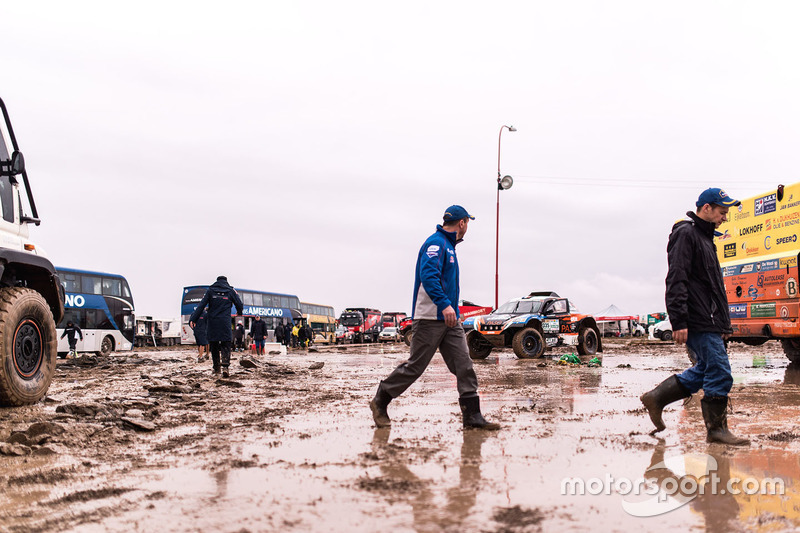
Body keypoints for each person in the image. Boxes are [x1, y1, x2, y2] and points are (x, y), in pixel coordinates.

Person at [369, 205, 499, 430]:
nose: (467, 227)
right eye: (468, 223)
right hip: (430, 318)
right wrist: (445, 305)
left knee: (464, 364)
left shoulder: (449, 247)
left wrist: (451, 310)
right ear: (462, 223)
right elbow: (428, 277)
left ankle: (472, 417)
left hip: (450, 320)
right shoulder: (436, 243)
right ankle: (381, 399)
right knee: (415, 367)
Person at [641, 188, 749, 445]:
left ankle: (656, 398)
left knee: (704, 370)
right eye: (722, 212)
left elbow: (713, 287)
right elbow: (676, 278)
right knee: (720, 372)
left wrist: (724, 324)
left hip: (710, 321)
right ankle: (716, 432)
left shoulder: (706, 239)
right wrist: (678, 320)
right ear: (707, 208)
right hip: (698, 319)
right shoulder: (686, 234)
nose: (725, 218)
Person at [189, 276, 244, 378]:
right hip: (225, 322)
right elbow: (240, 304)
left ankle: (216, 368)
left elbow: (201, 305)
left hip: (213, 322)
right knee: (226, 343)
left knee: (214, 345)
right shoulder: (231, 290)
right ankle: (225, 367)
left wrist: (193, 318)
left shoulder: (210, 290)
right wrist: (239, 313)